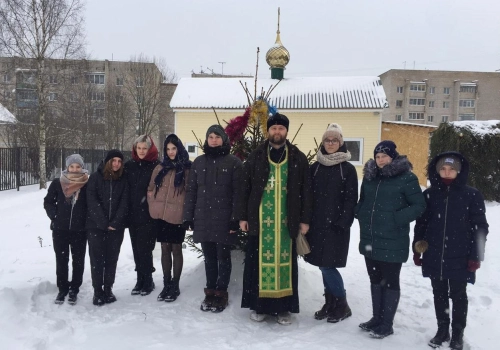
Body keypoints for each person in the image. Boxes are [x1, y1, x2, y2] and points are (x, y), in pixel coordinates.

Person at [239, 113, 312, 325]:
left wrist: (305, 219)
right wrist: (243, 216)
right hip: (260, 221)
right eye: (273, 128)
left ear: (286, 131)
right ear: (268, 131)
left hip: (286, 221)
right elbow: (245, 188)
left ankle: (284, 309)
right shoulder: (256, 156)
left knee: (286, 264)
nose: (277, 132)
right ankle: (259, 306)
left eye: (281, 128)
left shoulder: (297, 157)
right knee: (257, 264)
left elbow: (307, 190)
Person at [413, 152, 488, 350]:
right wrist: (417, 248)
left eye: (451, 169)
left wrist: (476, 256)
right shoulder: (429, 194)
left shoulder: (471, 195)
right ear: (437, 171)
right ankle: (442, 330)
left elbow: (480, 227)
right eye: (443, 169)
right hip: (434, 253)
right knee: (439, 293)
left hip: (460, 256)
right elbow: (421, 223)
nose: (447, 173)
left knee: (458, 295)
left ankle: (457, 334)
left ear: (459, 171)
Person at [355, 140, 425, 338]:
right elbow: (363, 201)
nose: (380, 160)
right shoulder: (370, 178)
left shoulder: (407, 178)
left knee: (390, 281)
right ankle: (376, 318)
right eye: (377, 156)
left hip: (393, 240)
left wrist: (395, 218)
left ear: (392, 157)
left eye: (384, 156)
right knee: (375, 279)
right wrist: (359, 212)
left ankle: (387, 324)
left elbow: (419, 206)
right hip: (370, 238)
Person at [183, 125, 242, 313]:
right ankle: (210, 291)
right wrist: (188, 217)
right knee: (209, 257)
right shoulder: (199, 163)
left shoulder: (234, 163)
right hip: (203, 218)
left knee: (223, 257)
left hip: (224, 220)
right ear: (206, 140)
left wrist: (235, 219)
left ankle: (221, 293)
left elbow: (238, 194)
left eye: (217, 136)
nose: (214, 140)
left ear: (224, 139)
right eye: (211, 137)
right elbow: (191, 191)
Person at [305, 123, 358, 323]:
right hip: (317, 226)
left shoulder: (348, 169)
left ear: (341, 143)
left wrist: (342, 223)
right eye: (327, 140)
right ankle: (330, 303)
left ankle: (342, 304)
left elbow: (351, 199)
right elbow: (308, 196)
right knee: (322, 265)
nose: (330, 143)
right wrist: (306, 221)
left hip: (336, 227)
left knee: (328, 266)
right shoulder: (315, 167)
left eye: (335, 140)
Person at [148, 134, 191, 302]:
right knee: (165, 248)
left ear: (179, 148)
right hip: (162, 216)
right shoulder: (160, 168)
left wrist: (187, 215)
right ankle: (166, 284)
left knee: (176, 249)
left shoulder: (187, 168)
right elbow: (151, 189)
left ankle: (175, 285)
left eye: (174, 148)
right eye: (168, 149)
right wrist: (154, 205)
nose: (171, 152)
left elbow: (190, 193)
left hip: (178, 216)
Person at [44, 154, 89, 305]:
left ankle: (74, 288)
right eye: (72, 166)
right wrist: (54, 216)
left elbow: (92, 204)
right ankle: (62, 289)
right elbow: (48, 201)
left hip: (80, 230)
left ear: (82, 167)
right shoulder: (58, 183)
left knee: (78, 260)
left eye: (78, 166)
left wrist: (86, 220)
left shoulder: (86, 183)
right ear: (67, 167)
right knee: (61, 260)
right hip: (60, 230)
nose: (75, 169)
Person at [86, 150, 129, 306]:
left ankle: (108, 289)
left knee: (112, 259)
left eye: (119, 161)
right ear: (107, 162)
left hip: (116, 228)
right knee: (97, 260)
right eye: (113, 160)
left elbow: (125, 202)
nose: (116, 164)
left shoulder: (123, 179)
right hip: (96, 226)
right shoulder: (95, 178)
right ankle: (98, 291)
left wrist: (115, 222)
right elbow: (91, 201)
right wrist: (103, 222)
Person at [124, 135, 159, 296]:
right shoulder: (129, 166)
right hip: (132, 214)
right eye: (139, 148)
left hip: (148, 215)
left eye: (145, 148)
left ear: (150, 148)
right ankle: (140, 279)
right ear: (135, 149)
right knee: (136, 248)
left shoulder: (156, 166)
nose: (142, 151)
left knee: (145, 248)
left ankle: (148, 280)